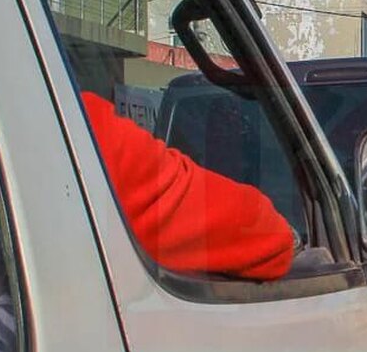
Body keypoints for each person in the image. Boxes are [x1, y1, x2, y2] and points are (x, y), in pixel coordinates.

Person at [81, 92, 296, 281]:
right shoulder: (81, 132)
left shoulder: (73, 136)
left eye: (229, 131)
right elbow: (270, 238)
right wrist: (293, 239)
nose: (221, 139)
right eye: (217, 130)